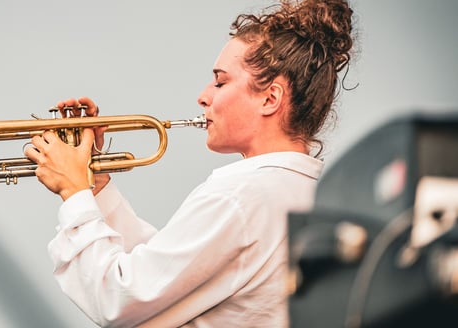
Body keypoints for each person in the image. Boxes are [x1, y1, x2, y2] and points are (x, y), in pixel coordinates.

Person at [24, 0, 355, 326]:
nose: (203, 96)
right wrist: (94, 186)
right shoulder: (308, 193)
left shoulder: (239, 196)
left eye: (221, 81)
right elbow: (168, 274)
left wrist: (75, 193)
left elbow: (118, 300)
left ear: (270, 98)